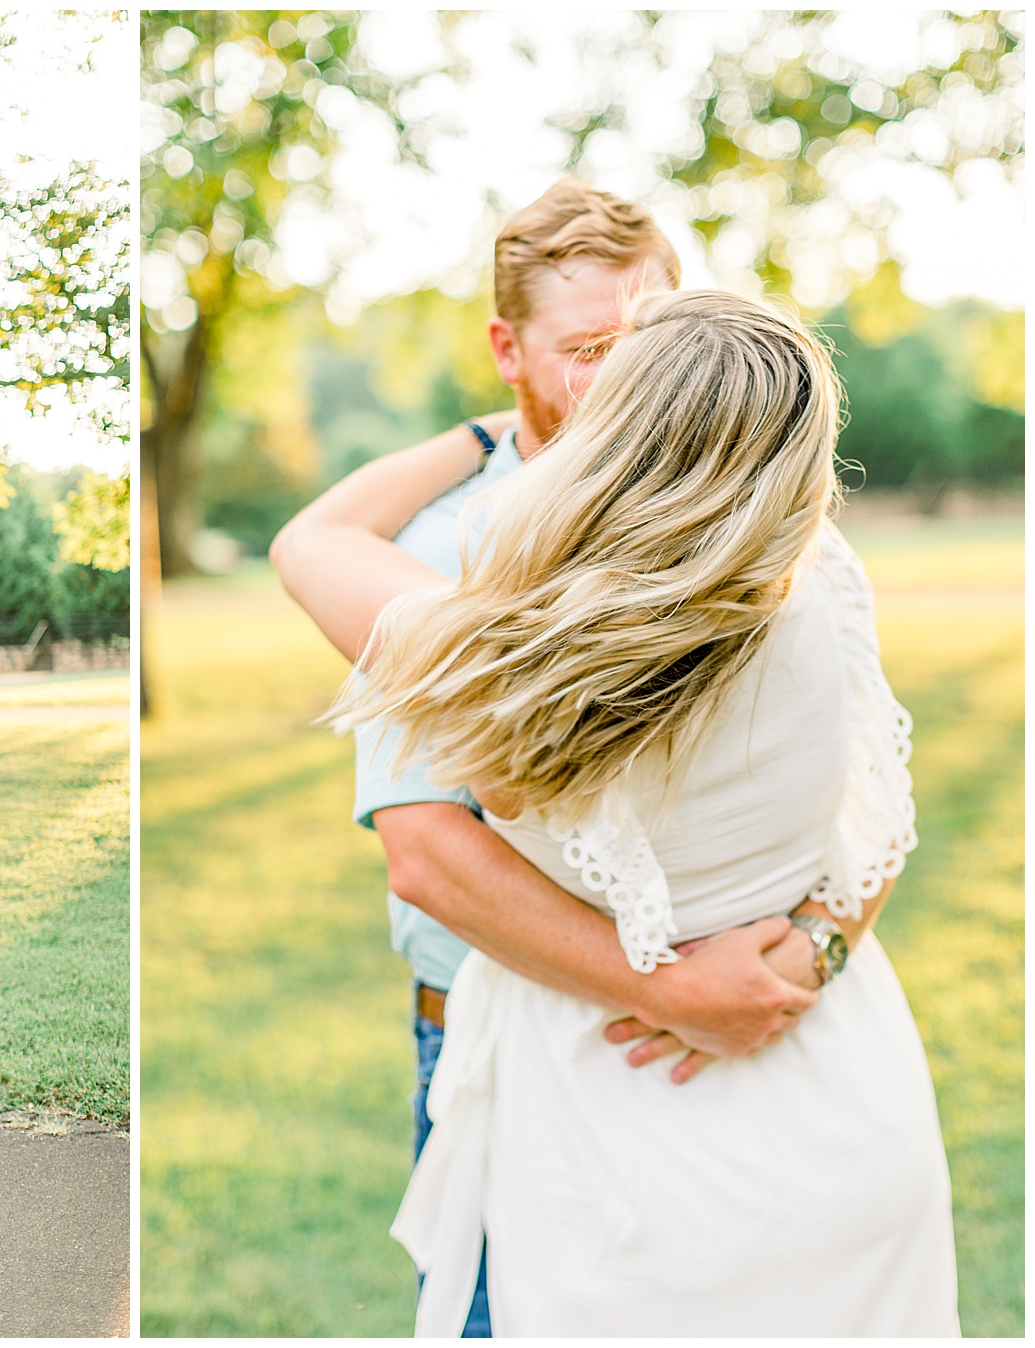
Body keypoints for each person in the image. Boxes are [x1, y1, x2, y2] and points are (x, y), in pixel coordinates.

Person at [291, 286, 958, 1334]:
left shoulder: (496, 646)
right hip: (844, 1099)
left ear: (623, 425)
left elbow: (313, 538)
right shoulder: (826, 576)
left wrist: (481, 436)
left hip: (617, 1154)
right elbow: (878, 819)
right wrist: (819, 949)